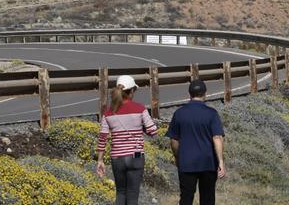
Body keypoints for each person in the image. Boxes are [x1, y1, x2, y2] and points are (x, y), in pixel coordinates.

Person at [96, 75, 158, 205]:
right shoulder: (140, 108)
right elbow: (153, 131)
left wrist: (100, 160)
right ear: (132, 91)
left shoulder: (108, 113)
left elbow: (102, 137)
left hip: (117, 157)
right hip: (135, 156)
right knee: (132, 196)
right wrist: (141, 128)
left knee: (120, 193)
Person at [167, 79, 226, 205]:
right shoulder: (211, 114)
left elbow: (174, 140)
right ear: (205, 94)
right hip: (208, 162)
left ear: (190, 94)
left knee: (186, 198)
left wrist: (177, 157)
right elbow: (217, 138)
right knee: (207, 198)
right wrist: (221, 161)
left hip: (186, 162)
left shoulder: (179, 113)